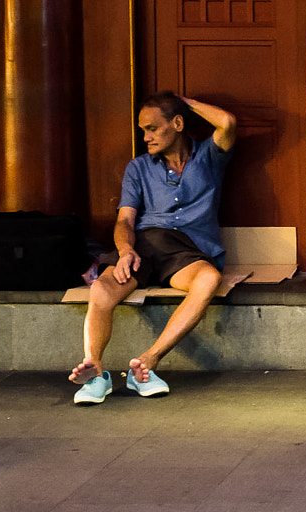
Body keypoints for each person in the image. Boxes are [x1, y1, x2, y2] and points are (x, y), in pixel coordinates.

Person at [68, 91, 237, 404]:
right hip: (145, 245)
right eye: (142, 129)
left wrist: (182, 102)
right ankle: (95, 370)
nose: (145, 136)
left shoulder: (209, 157)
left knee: (209, 280)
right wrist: (124, 251)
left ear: (177, 124)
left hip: (189, 251)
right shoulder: (139, 167)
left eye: (152, 128)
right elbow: (125, 221)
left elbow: (226, 122)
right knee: (102, 289)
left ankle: (148, 362)